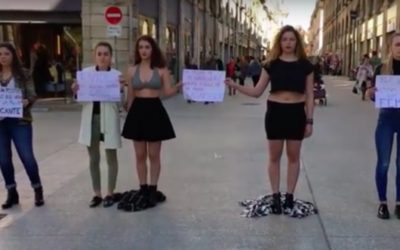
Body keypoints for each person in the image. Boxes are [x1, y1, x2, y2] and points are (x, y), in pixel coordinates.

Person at [225, 25, 315, 215]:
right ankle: (275, 197)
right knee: (274, 157)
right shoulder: (271, 64)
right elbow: (257, 91)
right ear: (279, 42)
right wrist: (235, 85)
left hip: (296, 112)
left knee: (293, 157)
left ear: (297, 42)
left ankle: (289, 196)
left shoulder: (305, 65)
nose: (288, 43)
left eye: (291, 39)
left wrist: (309, 120)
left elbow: (309, 94)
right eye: (284, 39)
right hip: (275, 112)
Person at [121, 35, 181, 211]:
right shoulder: (131, 70)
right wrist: (127, 110)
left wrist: (181, 85)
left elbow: (168, 91)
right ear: (137, 50)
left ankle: (153, 188)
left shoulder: (161, 70)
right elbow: (130, 95)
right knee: (140, 155)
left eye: (147, 47)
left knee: (154, 155)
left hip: (155, 111)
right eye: (141, 47)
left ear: (152, 49)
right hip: (137, 112)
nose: (144, 50)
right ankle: (143, 187)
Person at [71, 42, 125, 208]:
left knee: (111, 157)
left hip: (108, 118)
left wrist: (121, 90)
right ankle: (97, 193)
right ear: (95, 56)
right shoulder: (86, 75)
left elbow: (121, 105)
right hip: (91, 119)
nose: (102, 57)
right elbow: (81, 101)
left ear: (111, 57)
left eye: (106, 54)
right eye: (99, 54)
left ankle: (110, 192)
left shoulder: (117, 76)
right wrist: (75, 91)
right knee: (94, 158)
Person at [0, 42, 44, 209]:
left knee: (27, 156)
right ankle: (11, 192)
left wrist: (27, 101)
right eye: (0, 54)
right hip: (1, 123)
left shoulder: (23, 74)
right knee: (3, 159)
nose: (3, 57)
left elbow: (33, 94)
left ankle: (37, 188)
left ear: (13, 56)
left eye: (6, 54)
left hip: (20, 121)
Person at [366, 32, 400, 220]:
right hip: (386, 118)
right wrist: (372, 93)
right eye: (398, 45)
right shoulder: (382, 69)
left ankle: (399, 203)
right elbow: (374, 95)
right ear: (391, 47)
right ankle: (383, 203)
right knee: (384, 163)